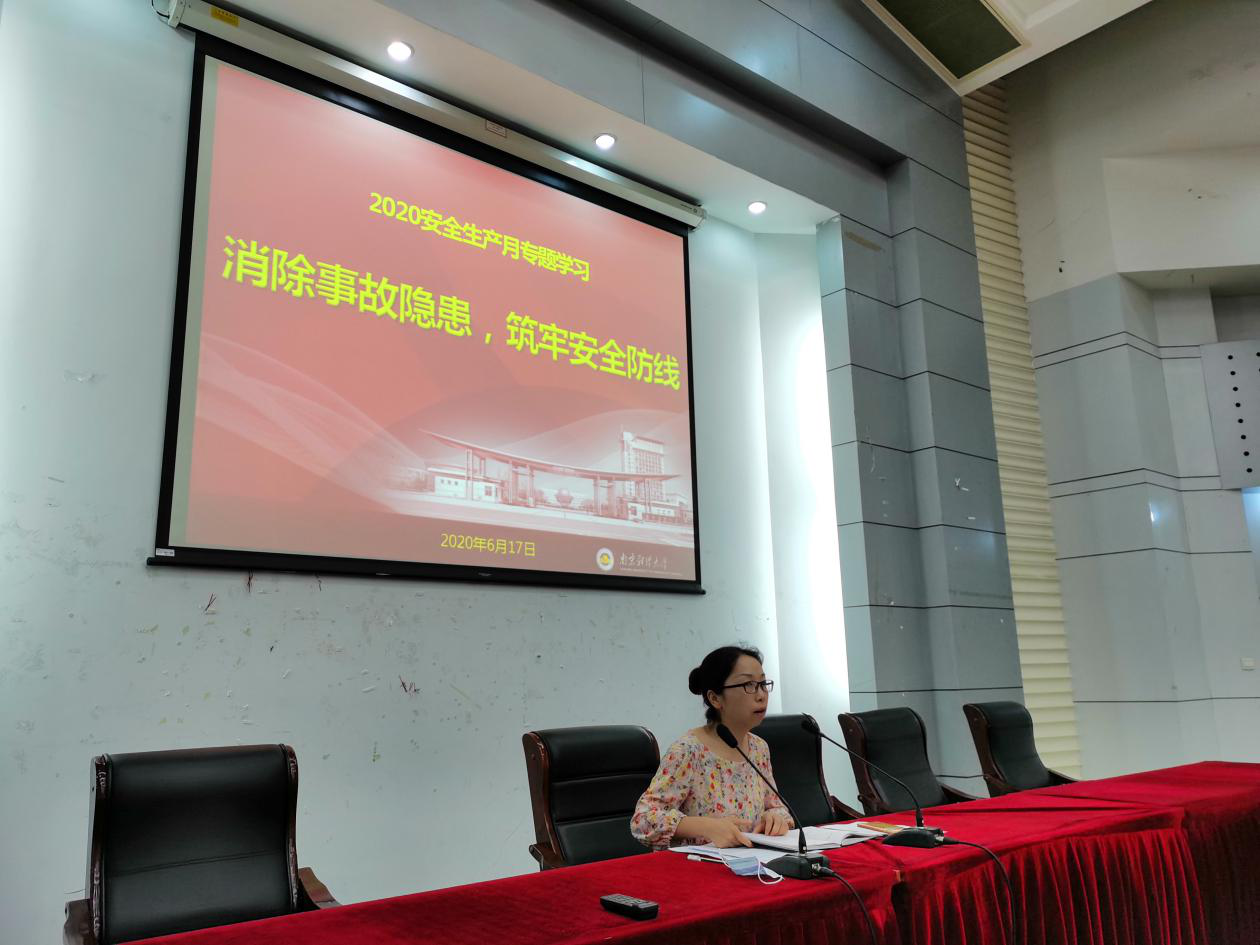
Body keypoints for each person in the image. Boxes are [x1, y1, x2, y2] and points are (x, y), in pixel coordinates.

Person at [630, 645, 792, 850]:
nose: (761, 695)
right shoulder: (688, 751)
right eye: (749, 684)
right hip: (696, 865)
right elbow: (642, 821)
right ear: (715, 698)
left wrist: (775, 819)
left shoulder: (759, 748)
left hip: (751, 861)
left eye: (763, 684)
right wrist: (705, 826)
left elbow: (778, 808)